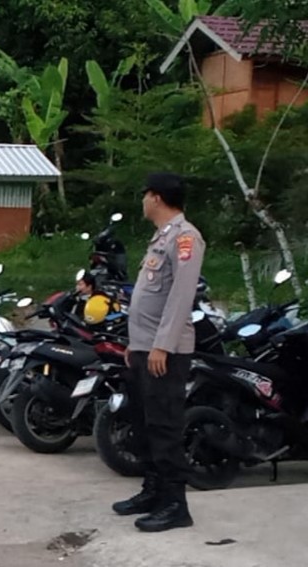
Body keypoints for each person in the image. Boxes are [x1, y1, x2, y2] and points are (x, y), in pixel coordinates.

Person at [113, 172, 204, 533]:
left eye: (145, 195)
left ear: (157, 198)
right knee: (143, 422)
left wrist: (161, 346)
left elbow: (180, 298)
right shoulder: (161, 239)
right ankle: (152, 489)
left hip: (165, 352)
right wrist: (135, 346)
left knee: (164, 425)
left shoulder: (185, 238)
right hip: (144, 349)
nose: (143, 201)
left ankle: (175, 504)